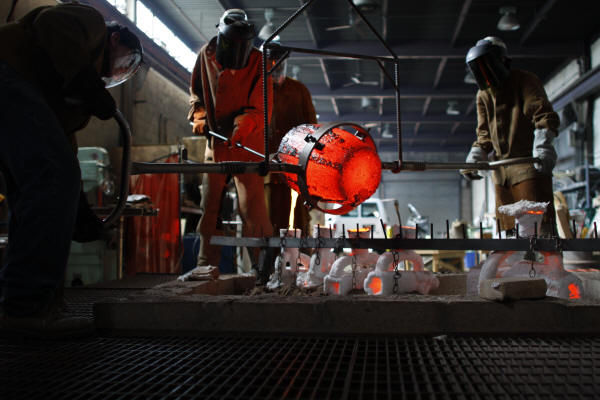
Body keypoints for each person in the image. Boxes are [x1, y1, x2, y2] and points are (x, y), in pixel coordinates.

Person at [0, 2, 143, 337]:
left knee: (31, 193)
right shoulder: (90, 23)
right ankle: (27, 305)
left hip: (14, 90)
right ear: (115, 39)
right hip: (5, 71)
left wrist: (76, 206)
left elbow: (64, 154)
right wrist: (85, 81)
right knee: (50, 179)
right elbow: (52, 25)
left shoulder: (66, 100)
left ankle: (24, 302)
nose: (116, 71)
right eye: (123, 61)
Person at [189, 9, 273, 269]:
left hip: (248, 145)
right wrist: (200, 118)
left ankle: (264, 271)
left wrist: (242, 127)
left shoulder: (261, 62)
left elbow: (261, 108)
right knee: (209, 207)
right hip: (216, 145)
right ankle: (206, 267)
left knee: (253, 211)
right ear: (221, 37)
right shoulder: (206, 55)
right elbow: (196, 94)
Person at [461, 36, 560, 236]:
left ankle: (544, 265)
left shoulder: (524, 81)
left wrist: (543, 146)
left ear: (501, 61)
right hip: (501, 173)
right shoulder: (483, 95)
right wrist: (476, 157)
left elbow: (542, 114)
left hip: (528, 166)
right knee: (507, 230)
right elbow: (484, 134)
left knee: (536, 227)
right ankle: (513, 266)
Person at [264, 44, 317, 234]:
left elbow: (312, 130)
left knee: (299, 224)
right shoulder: (258, 91)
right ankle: (268, 263)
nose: (276, 67)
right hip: (267, 172)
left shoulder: (299, 91)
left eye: (279, 63)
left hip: (296, 171)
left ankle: (302, 262)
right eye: (271, 63)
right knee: (269, 225)